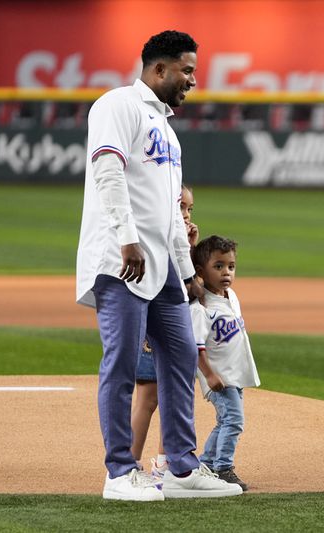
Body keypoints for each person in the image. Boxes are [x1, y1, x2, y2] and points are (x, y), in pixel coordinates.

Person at [75, 30, 241, 501]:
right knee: (123, 364)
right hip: (121, 258)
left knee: (181, 357)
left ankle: (182, 469)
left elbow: (171, 210)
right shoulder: (117, 105)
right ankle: (119, 471)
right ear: (159, 69)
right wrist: (127, 237)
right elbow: (107, 170)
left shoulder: (167, 130)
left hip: (164, 265)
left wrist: (187, 269)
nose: (193, 79)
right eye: (186, 70)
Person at [130, 184, 199, 478]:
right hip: (155, 320)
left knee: (168, 392)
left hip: (171, 318)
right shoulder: (155, 233)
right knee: (149, 396)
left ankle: (164, 461)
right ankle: (130, 463)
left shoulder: (181, 236)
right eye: (180, 207)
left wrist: (190, 246)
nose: (185, 214)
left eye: (189, 209)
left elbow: (188, 278)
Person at [189, 235, 260, 492]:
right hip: (218, 377)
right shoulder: (201, 308)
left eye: (230, 266)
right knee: (234, 421)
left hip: (234, 374)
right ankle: (223, 468)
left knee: (225, 421)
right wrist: (208, 375)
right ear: (200, 272)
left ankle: (205, 464)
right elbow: (196, 347)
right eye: (218, 266)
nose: (226, 272)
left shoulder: (231, 296)